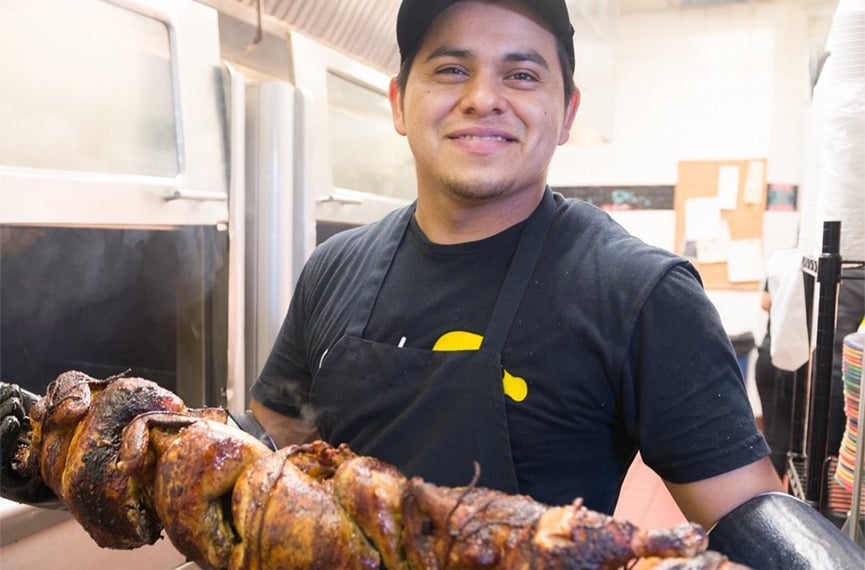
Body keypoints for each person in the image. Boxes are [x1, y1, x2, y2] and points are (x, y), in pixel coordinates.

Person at [1, 1, 862, 567]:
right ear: (399, 98)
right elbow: (267, 450)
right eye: (450, 69)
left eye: (521, 73)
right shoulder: (334, 269)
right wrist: (69, 453)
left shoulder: (637, 290)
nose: (483, 97)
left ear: (564, 111)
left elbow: (745, 515)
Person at [754, 281, 795, 478]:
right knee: (799, 448)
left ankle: (769, 502)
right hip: (799, 363)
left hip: (770, 355)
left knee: (773, 437)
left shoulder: (783, 261)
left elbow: (765, 302)